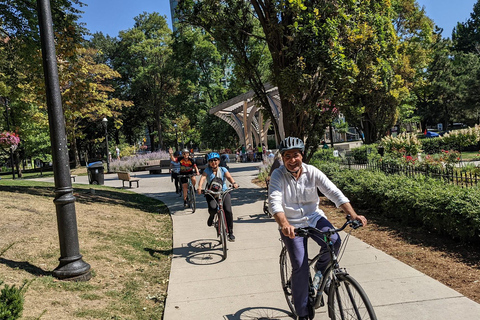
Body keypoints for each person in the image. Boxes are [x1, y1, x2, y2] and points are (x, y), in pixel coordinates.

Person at [268, 137, 367, 320]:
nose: (292, 160)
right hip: (292, 225)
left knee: (335, 240)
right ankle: (303, 313)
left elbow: (333, 191)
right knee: (300, 265)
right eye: (287, 156)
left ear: (302, 155)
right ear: (282, 158)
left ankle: (321, 272)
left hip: (314, 218)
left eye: (295, 155)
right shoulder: (278, 175)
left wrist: (353, 215)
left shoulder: (312, 171)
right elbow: (274, 202)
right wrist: (284, 224)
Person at [197, 152, 239, 241]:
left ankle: (230, 232)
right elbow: (203, 178)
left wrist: (234, 183)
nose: (213, 162)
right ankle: (212, 216)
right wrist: (200, 187)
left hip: (223, 192)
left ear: (219, 161)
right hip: (211, 192)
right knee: (212, 208)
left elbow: (229, 177)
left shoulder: (223, 169)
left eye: (215, 160)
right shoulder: (207, 170)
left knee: (228, 210)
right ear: (208, 162)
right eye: (211, 161)